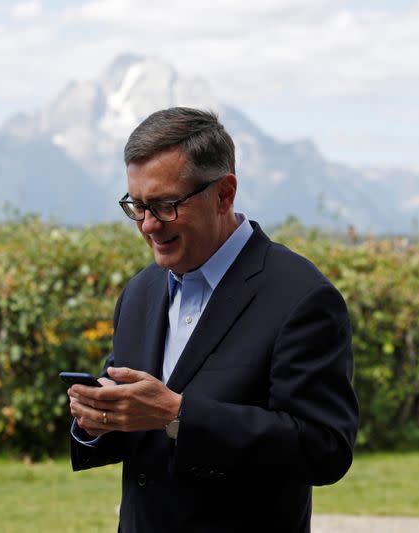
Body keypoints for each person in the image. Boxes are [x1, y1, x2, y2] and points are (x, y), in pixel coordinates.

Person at [67, 107, 359, 532]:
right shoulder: (140, 291)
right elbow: (140, 424)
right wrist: (97, 417)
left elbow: (324, 447)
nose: (148, 225)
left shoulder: (302, 296)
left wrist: (179, 416)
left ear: (224, 194)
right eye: (137, 206)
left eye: (165, 206)